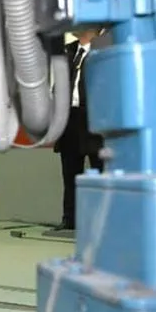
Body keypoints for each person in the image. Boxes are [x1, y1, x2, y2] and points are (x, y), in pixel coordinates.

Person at [55, 28, 106, 231]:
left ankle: (99, 223)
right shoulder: (68, 52)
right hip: (69, 119)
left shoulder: (104, 49)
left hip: (94, 118)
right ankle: (70, 219)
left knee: (99, 171)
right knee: (70, 173)